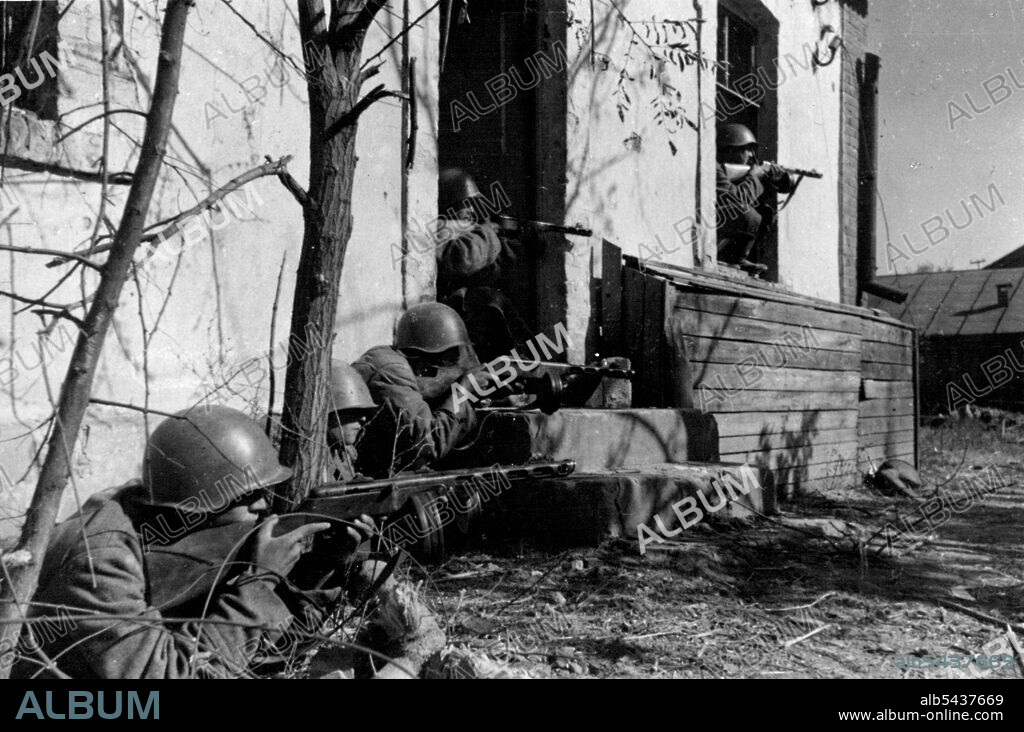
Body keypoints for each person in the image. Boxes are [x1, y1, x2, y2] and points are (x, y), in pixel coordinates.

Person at [14, 406, 374, 679]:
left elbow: (263, 654)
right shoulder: (101, 562)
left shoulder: (177, 537)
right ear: (195, 509)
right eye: (247, 499)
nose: (264, 506)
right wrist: (259, 581)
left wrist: (319, 567)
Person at [352, 302, 495, 478]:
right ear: (423, 361)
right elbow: (430, 444)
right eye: (445, 359)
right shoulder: (390, 372)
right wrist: (462, 393)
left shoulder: (391, 362)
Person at [435, 168, 533, 363]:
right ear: (448, 205)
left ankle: (530, 362)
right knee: (493, 300)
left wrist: (513, 245)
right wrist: (489, 233)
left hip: (462, 318)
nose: (472, 211)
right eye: (466, 204)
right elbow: (464, 259)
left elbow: (485, 271)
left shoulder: (470, 233)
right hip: (443, 319)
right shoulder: (438, 229)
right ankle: (532, 361)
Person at [715, 123, 798, 273]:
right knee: (747, 213)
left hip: (720, 221)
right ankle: (727, 257)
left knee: (765, 213)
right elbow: (738, 199)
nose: (751, 155)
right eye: (747, 150)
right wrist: (756, 176)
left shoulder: (735, 173)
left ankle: (738, 258)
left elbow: (748, 198)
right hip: (709, 226)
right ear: (732, 149)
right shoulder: (715, 168)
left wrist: (774, 179)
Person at [326, 360, 380, 482]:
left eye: (363, 413)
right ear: (331, 414)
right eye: (353, 411)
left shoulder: (344, 452)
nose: (363, 419)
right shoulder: (316, 459)